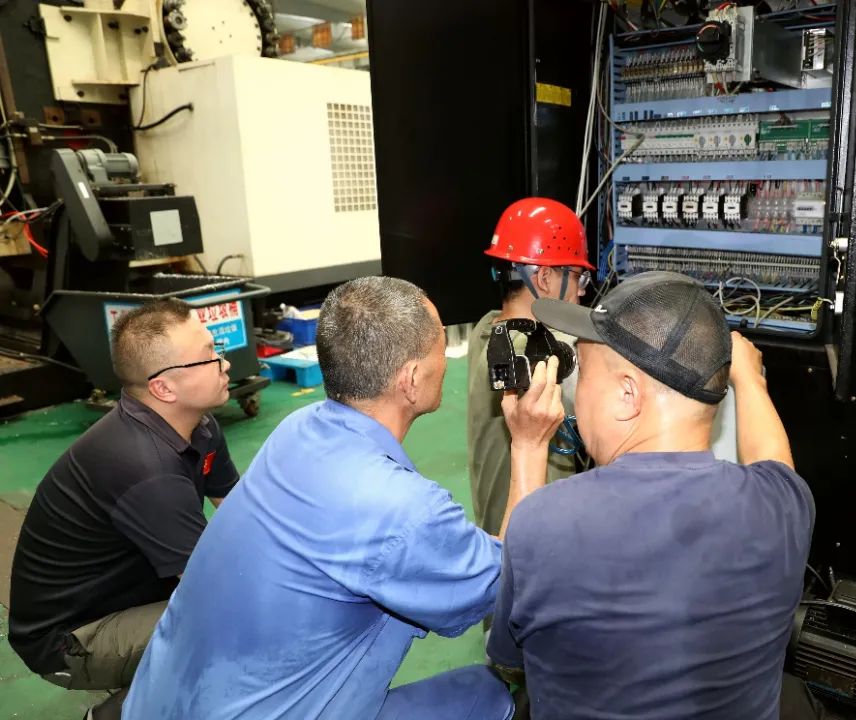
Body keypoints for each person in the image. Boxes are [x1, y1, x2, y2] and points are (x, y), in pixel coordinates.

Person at [124, 276, 565, 720]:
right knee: (488, 697)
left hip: (157, 702)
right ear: (412, 379)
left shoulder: (296, 429)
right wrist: (529, 445)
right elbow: (510, 582)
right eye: (438, 348)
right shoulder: (402, 510)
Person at [486, 271, 816, 719]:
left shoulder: (543, 523)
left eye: (583, 372)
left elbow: (510, 660)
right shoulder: (786, 506)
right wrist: (749, 380)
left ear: (628, 394)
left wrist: (527, 448)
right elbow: (773, 459)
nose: (573, 393)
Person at [8, 298, 240, 720]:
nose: (224, 363)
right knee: (231, 624)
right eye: (209, 356)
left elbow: (240, 514)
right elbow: (216, 586)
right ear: (163, 388)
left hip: (124, 596)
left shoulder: (198, 425)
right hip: (69, 639)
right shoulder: (147, 470)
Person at [467, 197, 593, 536]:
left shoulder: (487, 330)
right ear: (546, 278)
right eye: (578, 277)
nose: (581, 293)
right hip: (539, 539)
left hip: (497, 525)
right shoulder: (551, 356)